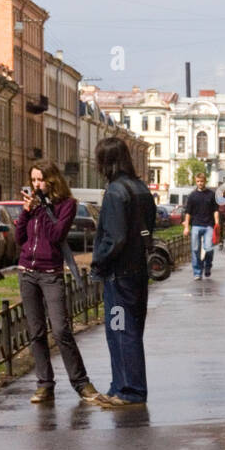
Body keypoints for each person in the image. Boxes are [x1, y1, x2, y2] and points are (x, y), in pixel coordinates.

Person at [14, 160, 100, 404]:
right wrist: (26, 212)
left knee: (61, 329)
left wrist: (40, 208)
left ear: (52, 180)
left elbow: (56, 235)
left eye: (40, 179)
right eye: (33, 180)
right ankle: (44, 384)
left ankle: (81, 383)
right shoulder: (33, 206)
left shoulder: (67, 205)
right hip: (27, 272)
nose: (36, 184)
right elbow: (20, 238)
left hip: (51, 272)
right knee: (36, 331)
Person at [90, 136, 156, 408]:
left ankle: (129, 390)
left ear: (106, 162)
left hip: (119, 274)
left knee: (120, 331)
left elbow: (114, 238)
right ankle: (119, 387)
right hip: (138, 269)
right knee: (129, 331)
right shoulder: (140, 188)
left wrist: (98, 261)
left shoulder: (116, 192)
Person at [182, 171, 219, 281]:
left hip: (209, 226)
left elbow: (215, 210)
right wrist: (186, 227)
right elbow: (188, 212)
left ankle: (207, 266)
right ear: (195, 181)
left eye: (201, 181)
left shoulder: (211, 194)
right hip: (196, 225)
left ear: (205, 181)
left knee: (209, 248)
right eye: (198, 181)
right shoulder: (192, 196)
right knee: (195, 250)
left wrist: (217, 223)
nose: (200, 183)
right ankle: (197, 272)